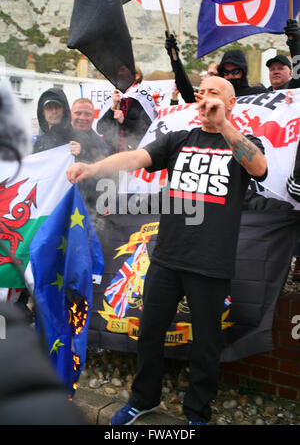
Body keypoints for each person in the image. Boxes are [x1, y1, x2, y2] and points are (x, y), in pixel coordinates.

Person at [66, 75, 267, 425]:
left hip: (211, 265)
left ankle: (197, 414)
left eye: (214, 93)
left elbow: (259, 168)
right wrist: (92, 168)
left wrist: (223, 125)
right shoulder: (179, 139)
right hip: (167, 257)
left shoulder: (244, 142)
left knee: (205, 346)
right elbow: (134, 159)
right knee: (149, 334)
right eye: (202, 92)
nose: (205, 98)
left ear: (230, 103)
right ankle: (143, 399)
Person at [97, 66, 153, 153]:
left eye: (123, 72)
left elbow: (147, 130)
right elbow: (100, 128)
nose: (119, 76)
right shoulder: (113, 96)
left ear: (136, 76)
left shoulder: (143, 98)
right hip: (110, 153)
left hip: (133, 153)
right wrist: (112, 108)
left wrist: (124, 121)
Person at [33, 88, 73, 153]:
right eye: (49, 107)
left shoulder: (78, 139)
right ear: (43, 112)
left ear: (64, 110)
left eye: (58, 106)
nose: (54, 111)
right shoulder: (38, 144)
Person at [267, 19, 300, 91]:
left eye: (280, 68)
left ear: (291, 73)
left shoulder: (295, 89)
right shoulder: (261, 94)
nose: (275, 72)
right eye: (272, 69)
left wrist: (296, 44)